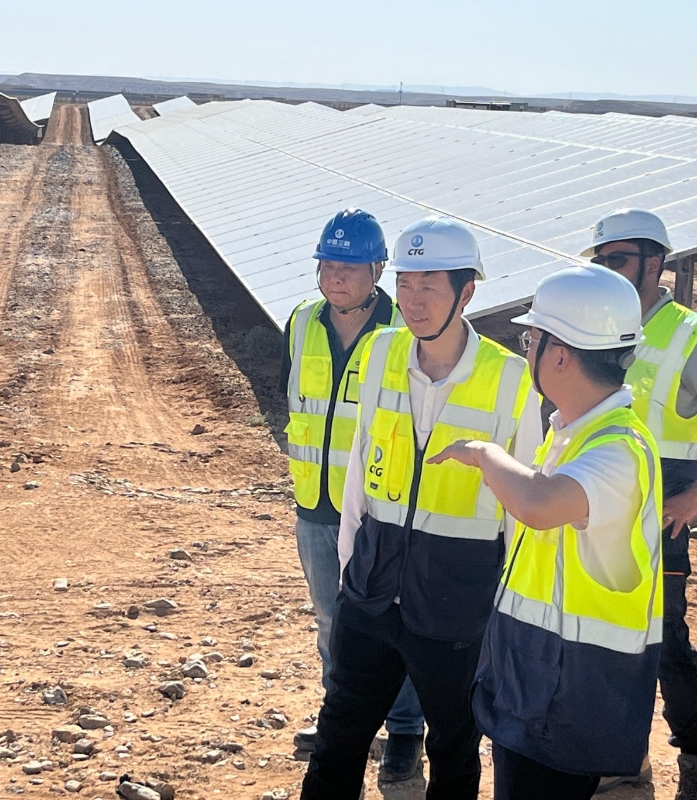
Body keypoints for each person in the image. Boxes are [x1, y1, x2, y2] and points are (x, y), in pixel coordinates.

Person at [300, 216, 542, 800]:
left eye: (429, 286)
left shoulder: (510, 378)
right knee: (339, 735)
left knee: (454, 747)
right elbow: (359, 467)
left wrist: (506, 610)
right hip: (373, 586)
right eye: (405, 284)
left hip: (457, 599)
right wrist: (352, 570)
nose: (413, 301)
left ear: (467, 291)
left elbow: (524, 507)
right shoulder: (382, 352)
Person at [431, 265, 664, 799]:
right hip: (542, 676)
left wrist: (484, 453)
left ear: (559, 354)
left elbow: (537, 505)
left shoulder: (617, 449)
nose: (528, 348)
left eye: (531, 339)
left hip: (571, 691)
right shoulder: (573, 435)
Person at [583, 208, 697, 800]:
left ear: (654, 263)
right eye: (601, 261)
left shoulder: (691, 335)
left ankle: (694, 758)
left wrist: (695, 498)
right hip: (594, 509)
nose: (606, 271)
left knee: (664, 642)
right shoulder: (592, 323)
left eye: (617, 260)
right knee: (598, 633)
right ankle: (621, 761)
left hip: (658, 517)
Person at [279, 208, 425, 777]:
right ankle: (342, 721)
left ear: (378, 270)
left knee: (391, 622)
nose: (335, 276)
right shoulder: (301, 322)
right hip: (316, 506)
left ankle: (405, 731)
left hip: (379, 510)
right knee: (330, 622)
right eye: (327, 265)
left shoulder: (405, 331)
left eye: (349, 267)